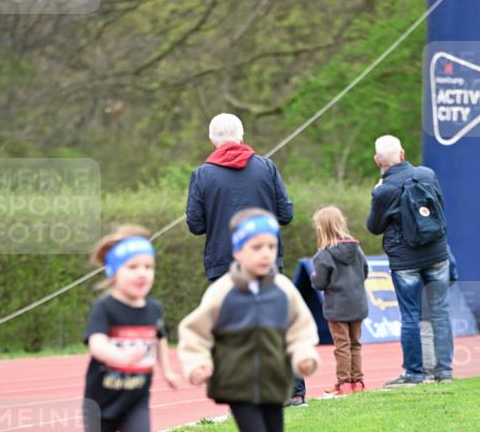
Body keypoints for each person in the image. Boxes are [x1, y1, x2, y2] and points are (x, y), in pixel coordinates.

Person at [178, 208, 319, 432]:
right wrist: (197, 363)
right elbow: (194, 330)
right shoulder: (223, 290)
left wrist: (304, 356)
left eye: (271, 246)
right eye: (257, 247)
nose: (266, 254)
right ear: (238, 251)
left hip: (274, 381)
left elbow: (301, 329)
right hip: (236, 381)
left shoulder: (283, 289)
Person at [185, 112, 307, 406]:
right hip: (266, 259)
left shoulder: (202, 175)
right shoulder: (266, 167)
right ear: (241, 136)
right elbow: (286, 214)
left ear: (212, 141)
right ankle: (292, 391)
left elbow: (196, 224)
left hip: (224, 261)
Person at [76, 225, 180, 432]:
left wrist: (168, 369)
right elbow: (96, 343)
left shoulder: (153, 308)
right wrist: (119, 356)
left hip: (135, 400)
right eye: (133, 267)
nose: (142, 273)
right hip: (101, 403)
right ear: (114, 272)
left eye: (148, 266)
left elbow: (159, 337)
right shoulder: (105, 308)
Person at [366, 134, 453, 386]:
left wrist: (377, 191)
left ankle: (414, 373)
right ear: (402, 154)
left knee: (410, 316)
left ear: (377, 161)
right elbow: (440, 206)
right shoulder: (427, 175)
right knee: (440, 312)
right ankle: (444, 371)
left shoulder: (384, 190)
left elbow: (374, 227)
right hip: (437, 253)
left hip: (406, 261)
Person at [310, 206, 369, 396]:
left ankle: (343, 383)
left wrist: (313, 276)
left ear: (321, 228)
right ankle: (357, 382)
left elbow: (319, 283)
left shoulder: (323, 255)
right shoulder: (356, 248)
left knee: (342, 345)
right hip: (358, 303)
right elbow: (365, 271)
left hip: (337, 307)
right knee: (355, 344)